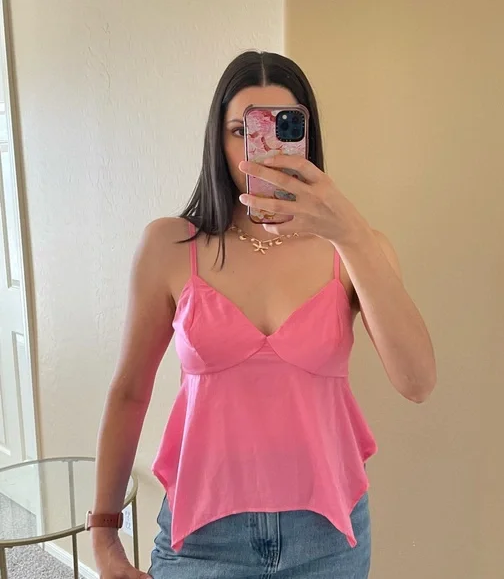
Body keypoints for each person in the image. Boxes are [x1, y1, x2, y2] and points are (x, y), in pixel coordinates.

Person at [90, 50, 436, 579]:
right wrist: (104, 533)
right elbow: (130, 392)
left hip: (328, 539)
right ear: (218, 139)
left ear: (307, 139)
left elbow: (418, 382)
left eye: (285, 128)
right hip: (202, 537)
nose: (265, 149)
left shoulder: (355, 250)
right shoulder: (170, 246)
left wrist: (350, 233)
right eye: (243, 130)